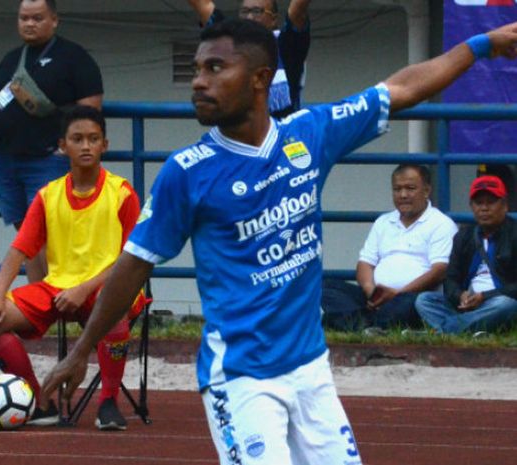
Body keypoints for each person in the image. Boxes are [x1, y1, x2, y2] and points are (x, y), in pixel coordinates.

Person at [42, 18, 517, 465]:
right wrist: (81, 351)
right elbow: (133, 265)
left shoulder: (309, 134)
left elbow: (404, 87)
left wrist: (481, 45)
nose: (198, 82)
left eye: (215, 68)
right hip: (241, 380)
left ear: (259, 79)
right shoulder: (186, 173)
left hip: (311, 371)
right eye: (196, 70)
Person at [0, 105, 146, 431]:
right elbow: (18, 251)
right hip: (58, 287)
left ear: (104, 146)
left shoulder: (122, 193)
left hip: (110, 288)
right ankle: (40, 402)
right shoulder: (47, 195)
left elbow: (133, 261)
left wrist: (84, 288)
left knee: (114, 306)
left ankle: (108, 403)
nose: (86, 146)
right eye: (77, 139)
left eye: (93, 139)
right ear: (62, 146)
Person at [0, 0, 103, 282]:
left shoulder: (75, 58)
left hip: (48, 160)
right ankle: (38, 302)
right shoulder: (10, 60)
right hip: (5, 159)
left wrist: (68, 151)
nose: (29, 24)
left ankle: (62, 299)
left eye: (37, 18)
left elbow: (90, 109)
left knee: (50, 234)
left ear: (54, 20)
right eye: (24, 18)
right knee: (28, 236)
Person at [322, 164, 457, 332]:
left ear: (426, 190)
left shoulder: (441, 224)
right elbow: (365, 263)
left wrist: (397, 294)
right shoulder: (383, 222)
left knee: (410, 304)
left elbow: (439, 270)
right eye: (397, 189)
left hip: (411, 297)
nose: (403, 195)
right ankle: (369, 325)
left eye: (410, 188)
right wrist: (372, 292)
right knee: (325, 287)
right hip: (375, 298)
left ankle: (355, 323)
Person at [415, 175, 517, 335]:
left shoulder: (514, 233)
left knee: (506, 305)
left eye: (491, 202)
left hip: (498, 301)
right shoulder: (464, 235)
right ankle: (476, 330)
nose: (484, 208)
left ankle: (444, 331)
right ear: (471, 206)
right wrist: (460, 295)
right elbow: (451, 278)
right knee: (425, 300)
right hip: (468, 304)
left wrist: (485, 296)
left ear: (504, 206)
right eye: (479, 203)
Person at [187, 0, 311, 117]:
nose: (250, 17)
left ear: (273, 19)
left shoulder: (287, 45)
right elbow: (203, 5)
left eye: (257, 11)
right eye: (244, 12)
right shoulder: (229, 43)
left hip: (283, 134)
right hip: (236, 134)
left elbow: (297, 10)